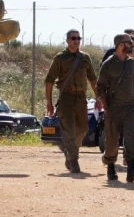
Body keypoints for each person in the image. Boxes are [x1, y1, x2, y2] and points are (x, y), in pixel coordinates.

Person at [45, 29, 102, 173]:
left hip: (81, 98)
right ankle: (74, 161)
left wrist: (98, 98)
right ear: (67, 40)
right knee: (69, 130)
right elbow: (49, 81)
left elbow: (93, 79)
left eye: (78, 38)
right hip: (66, 99)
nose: (76, 41)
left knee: (83, 129)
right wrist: (49, 103)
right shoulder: (60, 58)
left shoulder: (85, 58)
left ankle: (69, 152)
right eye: (73, 38)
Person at [96, 33, 134, 182]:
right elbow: (100, 87)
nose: (132, 45)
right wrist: (105, 105)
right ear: (121, 45)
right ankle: (110, 167)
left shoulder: (132, 63)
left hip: (130, 108)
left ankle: (131, 168)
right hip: (113, 108)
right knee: (111, 140)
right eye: (129, 43)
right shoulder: (108, 64)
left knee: (131, 138)